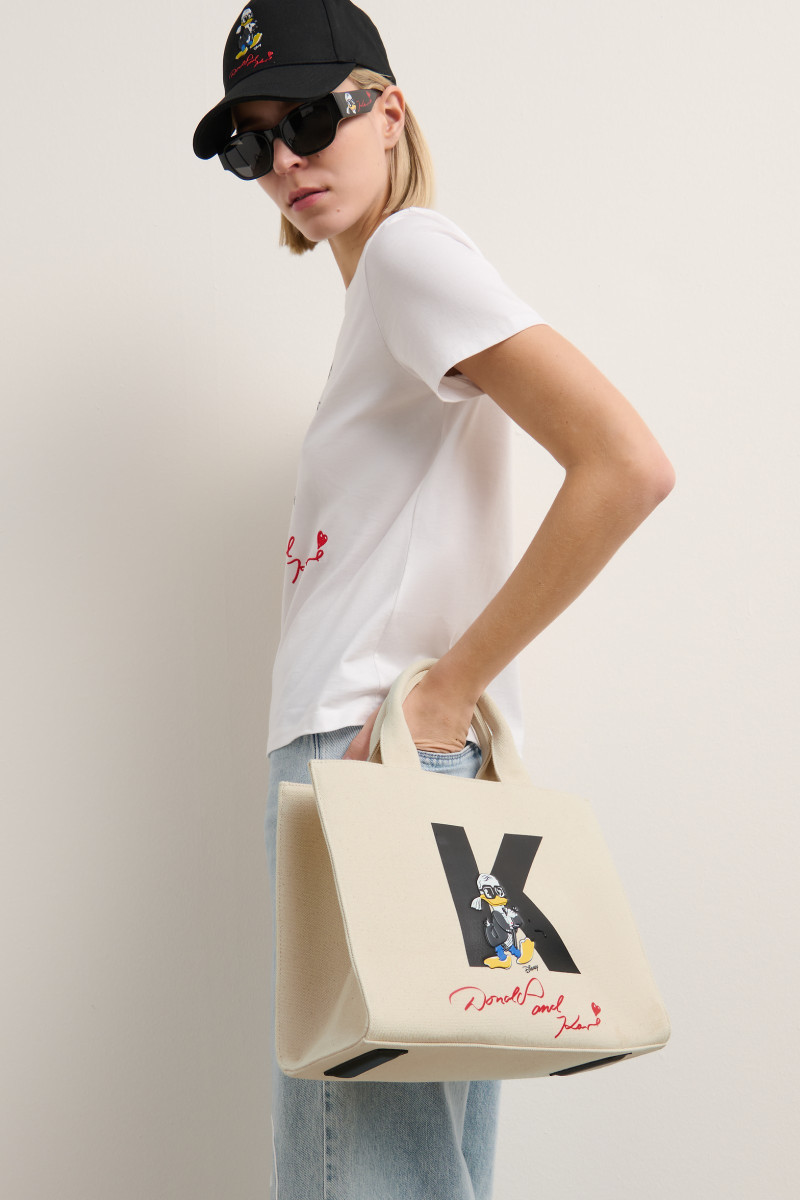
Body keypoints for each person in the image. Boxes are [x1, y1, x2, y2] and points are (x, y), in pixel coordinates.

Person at [193, 2, 675, 1197]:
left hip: (366, 752)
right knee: (416, 1168)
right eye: (253, 141)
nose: (285, 157)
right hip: (408, 761)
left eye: (311, 118)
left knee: (357, 1170)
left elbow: (624, 465)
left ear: (388, 111)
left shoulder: (411, 257)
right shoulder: (385, 294)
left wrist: (445, 692)